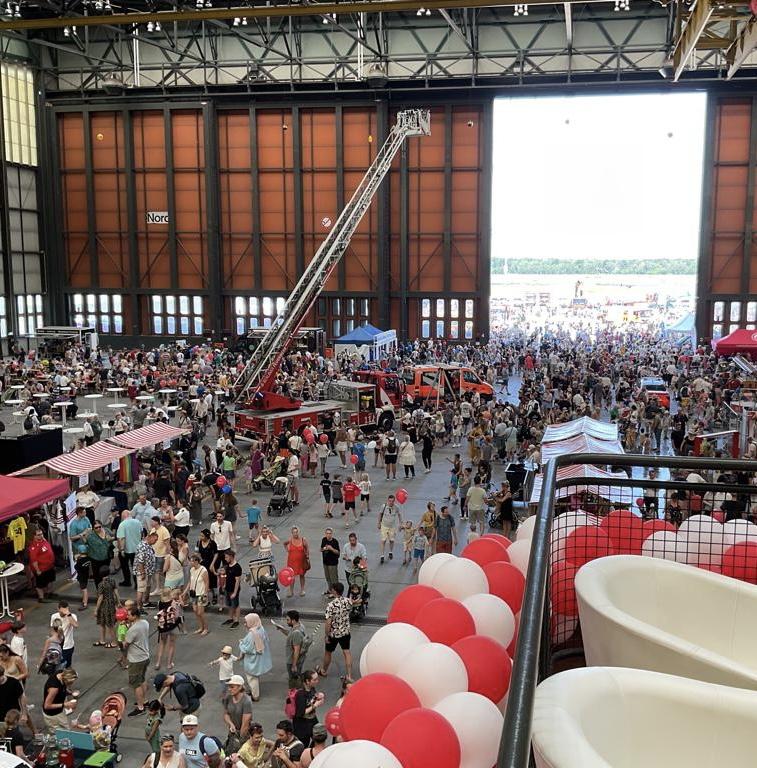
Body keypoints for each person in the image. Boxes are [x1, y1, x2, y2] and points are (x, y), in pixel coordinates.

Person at [316, 582, 352, 680]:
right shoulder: (347, 601)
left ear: (334, 591)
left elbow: (328, 622)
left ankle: (323, 670)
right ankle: (349, 675)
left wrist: (327, 635)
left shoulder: (331, 605)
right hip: (345, 631)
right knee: (347, 652)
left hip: (334, 633)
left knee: (328, 652)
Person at [238, 613, 272, 702]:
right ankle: (254, 692)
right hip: (259, 658)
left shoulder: (252, 634)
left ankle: (255, 695)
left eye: (246, 622)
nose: (245, 624)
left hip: (252, 660)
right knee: (255, 676)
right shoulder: (261, 628)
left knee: (252, 678)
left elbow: (247, 648)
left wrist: (241, 644)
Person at [125, 606, 151, 717]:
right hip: (145, 656)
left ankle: (140, 707)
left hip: (136, 659)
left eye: (129, 615)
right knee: (142, 679)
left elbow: (125, 644)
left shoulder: (133, 630)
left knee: (135, 684)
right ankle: (144, 700)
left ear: (134, 616)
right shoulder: (144, 623)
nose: (127, 616)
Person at [273, 610, 310, 688]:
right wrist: (281, 629)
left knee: (293, 678)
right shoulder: (300, 626)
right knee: (297, 675)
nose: (287, 622)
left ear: (293, 620)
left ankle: (294, 692)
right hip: (300, 659)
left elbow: (296, 650)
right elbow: (290, 634)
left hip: (294, 660)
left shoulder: (296, 633)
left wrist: (293, 665)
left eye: (288, 620)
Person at [292, 670, 325, 748]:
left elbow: (312, 699)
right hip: (302, 725)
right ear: (307, 681)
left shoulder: (312, 689)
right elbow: (302, 712)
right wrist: (315, 705)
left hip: (312, 720)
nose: (317, 681)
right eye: (314, 680)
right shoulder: (300, 694)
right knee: (303, 743)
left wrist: (318, 697)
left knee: (318, 738)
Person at [222, 674, 253, 751]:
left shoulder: (246, 701)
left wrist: (241, 739)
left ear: (240, 687)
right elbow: (226, 714)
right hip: (233, 731)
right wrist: (231, 724)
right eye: (229, 687)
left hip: (244, 732)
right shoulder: (227, 698)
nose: (229, 689)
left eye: (232, 687)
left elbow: (245, 723)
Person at [42, 667, 78, 733]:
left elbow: (63, 686)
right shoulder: (54, 688)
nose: (71, 684)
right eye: (71, 683)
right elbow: (47, 706)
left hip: (60, 712)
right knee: (59, 734)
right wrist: (65, 704)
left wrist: (69, 692)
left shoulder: (61, 673)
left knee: (67, 730)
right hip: (52, 715)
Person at [28, 528, 56, 602]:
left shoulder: (44, 541)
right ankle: (41, 598)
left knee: (50, 580)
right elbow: (34, 560)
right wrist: (37, 570)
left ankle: (49, 593)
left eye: (42, 534)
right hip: (41, 569)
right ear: (34, 536)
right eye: (39, 535)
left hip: (49, 567)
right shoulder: (33, 546)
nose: (41, 536)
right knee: (40, 584)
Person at [184, 554, 209, 635]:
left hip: (201, 594)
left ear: (196, 561)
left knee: (200, 612)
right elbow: (190, 582)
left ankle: (205, 628)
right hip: (193, 593)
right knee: (195, 611)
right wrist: (185, 592)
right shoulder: (192, 570)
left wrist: (205, 594)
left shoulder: (203, 570)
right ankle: (200, 627)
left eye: (191, 561)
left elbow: (206, 583)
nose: (190, 562)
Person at [116, 510, 143, 588]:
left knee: (125, 566)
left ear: (124, 516)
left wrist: (121, 550)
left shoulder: (122, 524)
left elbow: (121, 538)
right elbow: (141, 533)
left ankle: (127, 581)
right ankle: (137, 583)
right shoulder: (138, 522)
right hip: (137, 549)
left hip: (127, 549)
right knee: (135, 567)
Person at [155, 589, 180, 670]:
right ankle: (169, 664)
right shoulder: (173, 602)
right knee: (171, 645)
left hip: (163, 627)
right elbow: (176, 616)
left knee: (162, 644)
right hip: (172, 626)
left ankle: (158, 663)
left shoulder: (159, 603)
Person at [94, 575, 120, 649]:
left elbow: (101, 597)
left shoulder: (101, 584)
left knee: (107, 624)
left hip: (104, 606)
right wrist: (118, 602)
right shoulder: (112, 581)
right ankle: (102, 640)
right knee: (108, 624)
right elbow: (116, 592)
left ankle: (114, 642)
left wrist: (96, 609)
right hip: (111, 604)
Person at [84, 520, 113, 587]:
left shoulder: (106, 531)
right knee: (97, 575)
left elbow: (114, 536)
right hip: (96, 559)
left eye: (99, 527)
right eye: (96, 528)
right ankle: (99, 590)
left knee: (105, 574)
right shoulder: (91, 536)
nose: (98, 529)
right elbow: (87, 542)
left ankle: (106, 588)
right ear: (93, 528)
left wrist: (111, 538)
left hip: (106, 557)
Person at [49, 600, 78, 668]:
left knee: (67, 666)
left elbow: (75, 625)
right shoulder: (54, 616)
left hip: (67, 646)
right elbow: (52, 630)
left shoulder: (72, 616)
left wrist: (68, 614)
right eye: (62, 611)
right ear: (58, 609)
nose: (63, 613)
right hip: (56, 646)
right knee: (55, 666)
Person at [135, 531, 158, 610]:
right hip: (143, 572)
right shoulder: (142, 546)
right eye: (155, 539)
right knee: (141, 590)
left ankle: (146, 602)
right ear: (150, 537)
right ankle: (139, 608)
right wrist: (142, 573)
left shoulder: (148, 545)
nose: (156, 541)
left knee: (148, 587)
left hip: (149, 571)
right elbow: (140, 562)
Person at [284, 527, 310, 598]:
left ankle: (302, 590)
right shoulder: (290, 540)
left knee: (302, 575)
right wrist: (287, 550)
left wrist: (307, 556)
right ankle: (291, 591)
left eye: (296, 532)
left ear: (299, 532)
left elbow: (307, 548)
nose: (295, 534)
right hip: (291, 561)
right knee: (291, 576)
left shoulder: (303, 540)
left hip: (301, 561)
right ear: (292, 533)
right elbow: (284, 543)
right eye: (294, 532)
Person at [378, 495, 402, 564]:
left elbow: (399, 515)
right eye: (390, 501)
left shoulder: (396, 507)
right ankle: (382, 555)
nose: (391, 502)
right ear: (388, 500)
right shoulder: (384, 506)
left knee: (391, 540)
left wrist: (400, 523)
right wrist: (378, 523)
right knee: (383, 540)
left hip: (392, 526)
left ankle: (390, 552)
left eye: (392, 501)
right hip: (384, 525)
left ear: (394, 501)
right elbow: (380, 514)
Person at [222, 550, 243, 627]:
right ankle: (231, 618)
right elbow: (226, 576)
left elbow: (237, 581)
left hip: (234, 589)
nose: (225, 558)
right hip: (228, 588)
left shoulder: (237, 567)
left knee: (235, 605)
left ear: (231, 557)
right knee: (229, 604)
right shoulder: (227, 565)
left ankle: (236, 620)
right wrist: (224, 584)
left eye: (226, 557)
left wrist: (235, 592)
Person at [319, 529, 340, 594]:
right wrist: (323, 549)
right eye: (327, 533)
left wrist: (331, 549)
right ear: (325, 534)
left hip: (332, 563)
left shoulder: (335, 541)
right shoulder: (324, 540)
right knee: (328, 578)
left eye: (330, 533)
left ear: (332, 534)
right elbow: (321, 549)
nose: (328, 535)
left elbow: (338, 553)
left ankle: (336, 592)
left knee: (334, 579)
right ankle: (330, 590)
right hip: (325, 563)